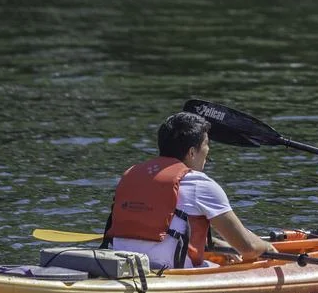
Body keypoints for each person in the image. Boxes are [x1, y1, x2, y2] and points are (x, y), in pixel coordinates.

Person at [103, 112, 276, 268]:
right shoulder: (200, 184)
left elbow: (158, 229)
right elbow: (248, 248)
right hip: (170, 273)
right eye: (206, 144)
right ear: (192, 152)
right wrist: (267, 247)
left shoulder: (133, 175)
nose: (208, 152)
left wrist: (217, 245)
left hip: (122, 266)